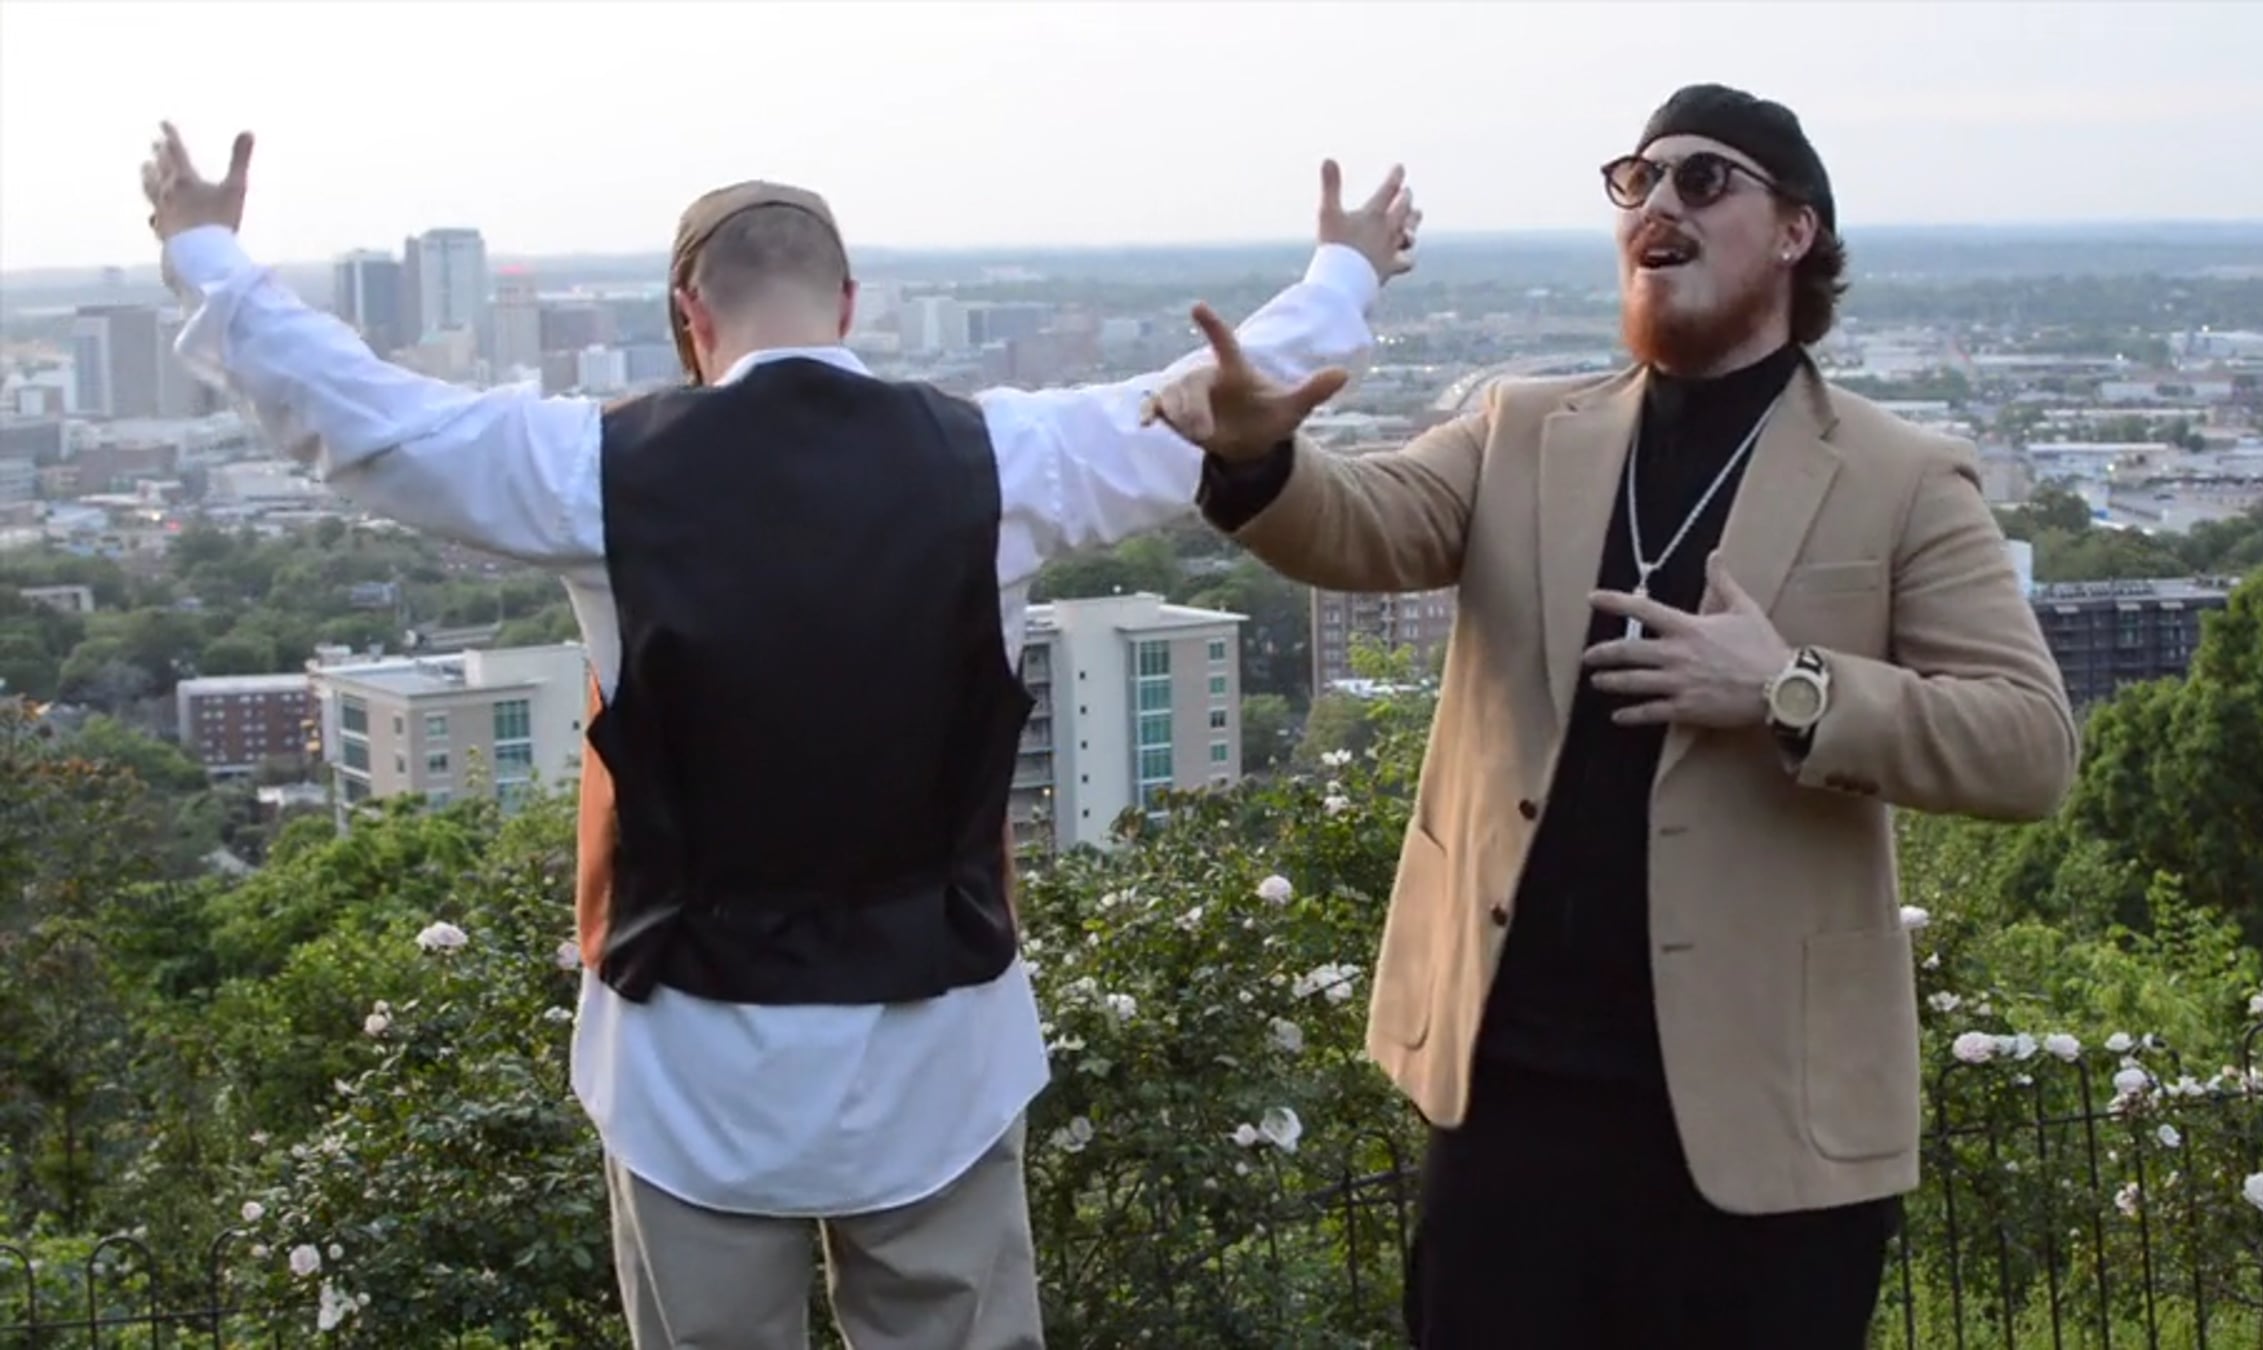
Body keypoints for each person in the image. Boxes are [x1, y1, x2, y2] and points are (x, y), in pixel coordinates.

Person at [140, 123, 1416, 1349]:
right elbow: (1216, 403)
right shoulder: (1001, 462)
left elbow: (367, 419)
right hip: (940, 1048)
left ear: (688, 316)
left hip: (688, 1060)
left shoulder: (597, 472)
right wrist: (1343, 271)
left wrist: (209, 253)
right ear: (847, 304)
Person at [1141, 83, 2078, 1348]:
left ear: (1795, 231)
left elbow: (2028, 745)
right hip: (1511, 1102)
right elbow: (1363, 525)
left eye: (1703, 178)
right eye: (1637, 180)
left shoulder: (1902, 477)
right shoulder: (1520, 428)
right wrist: (1259, 456)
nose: (1657, 203)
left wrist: (1789, 690)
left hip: (1765, 1127)